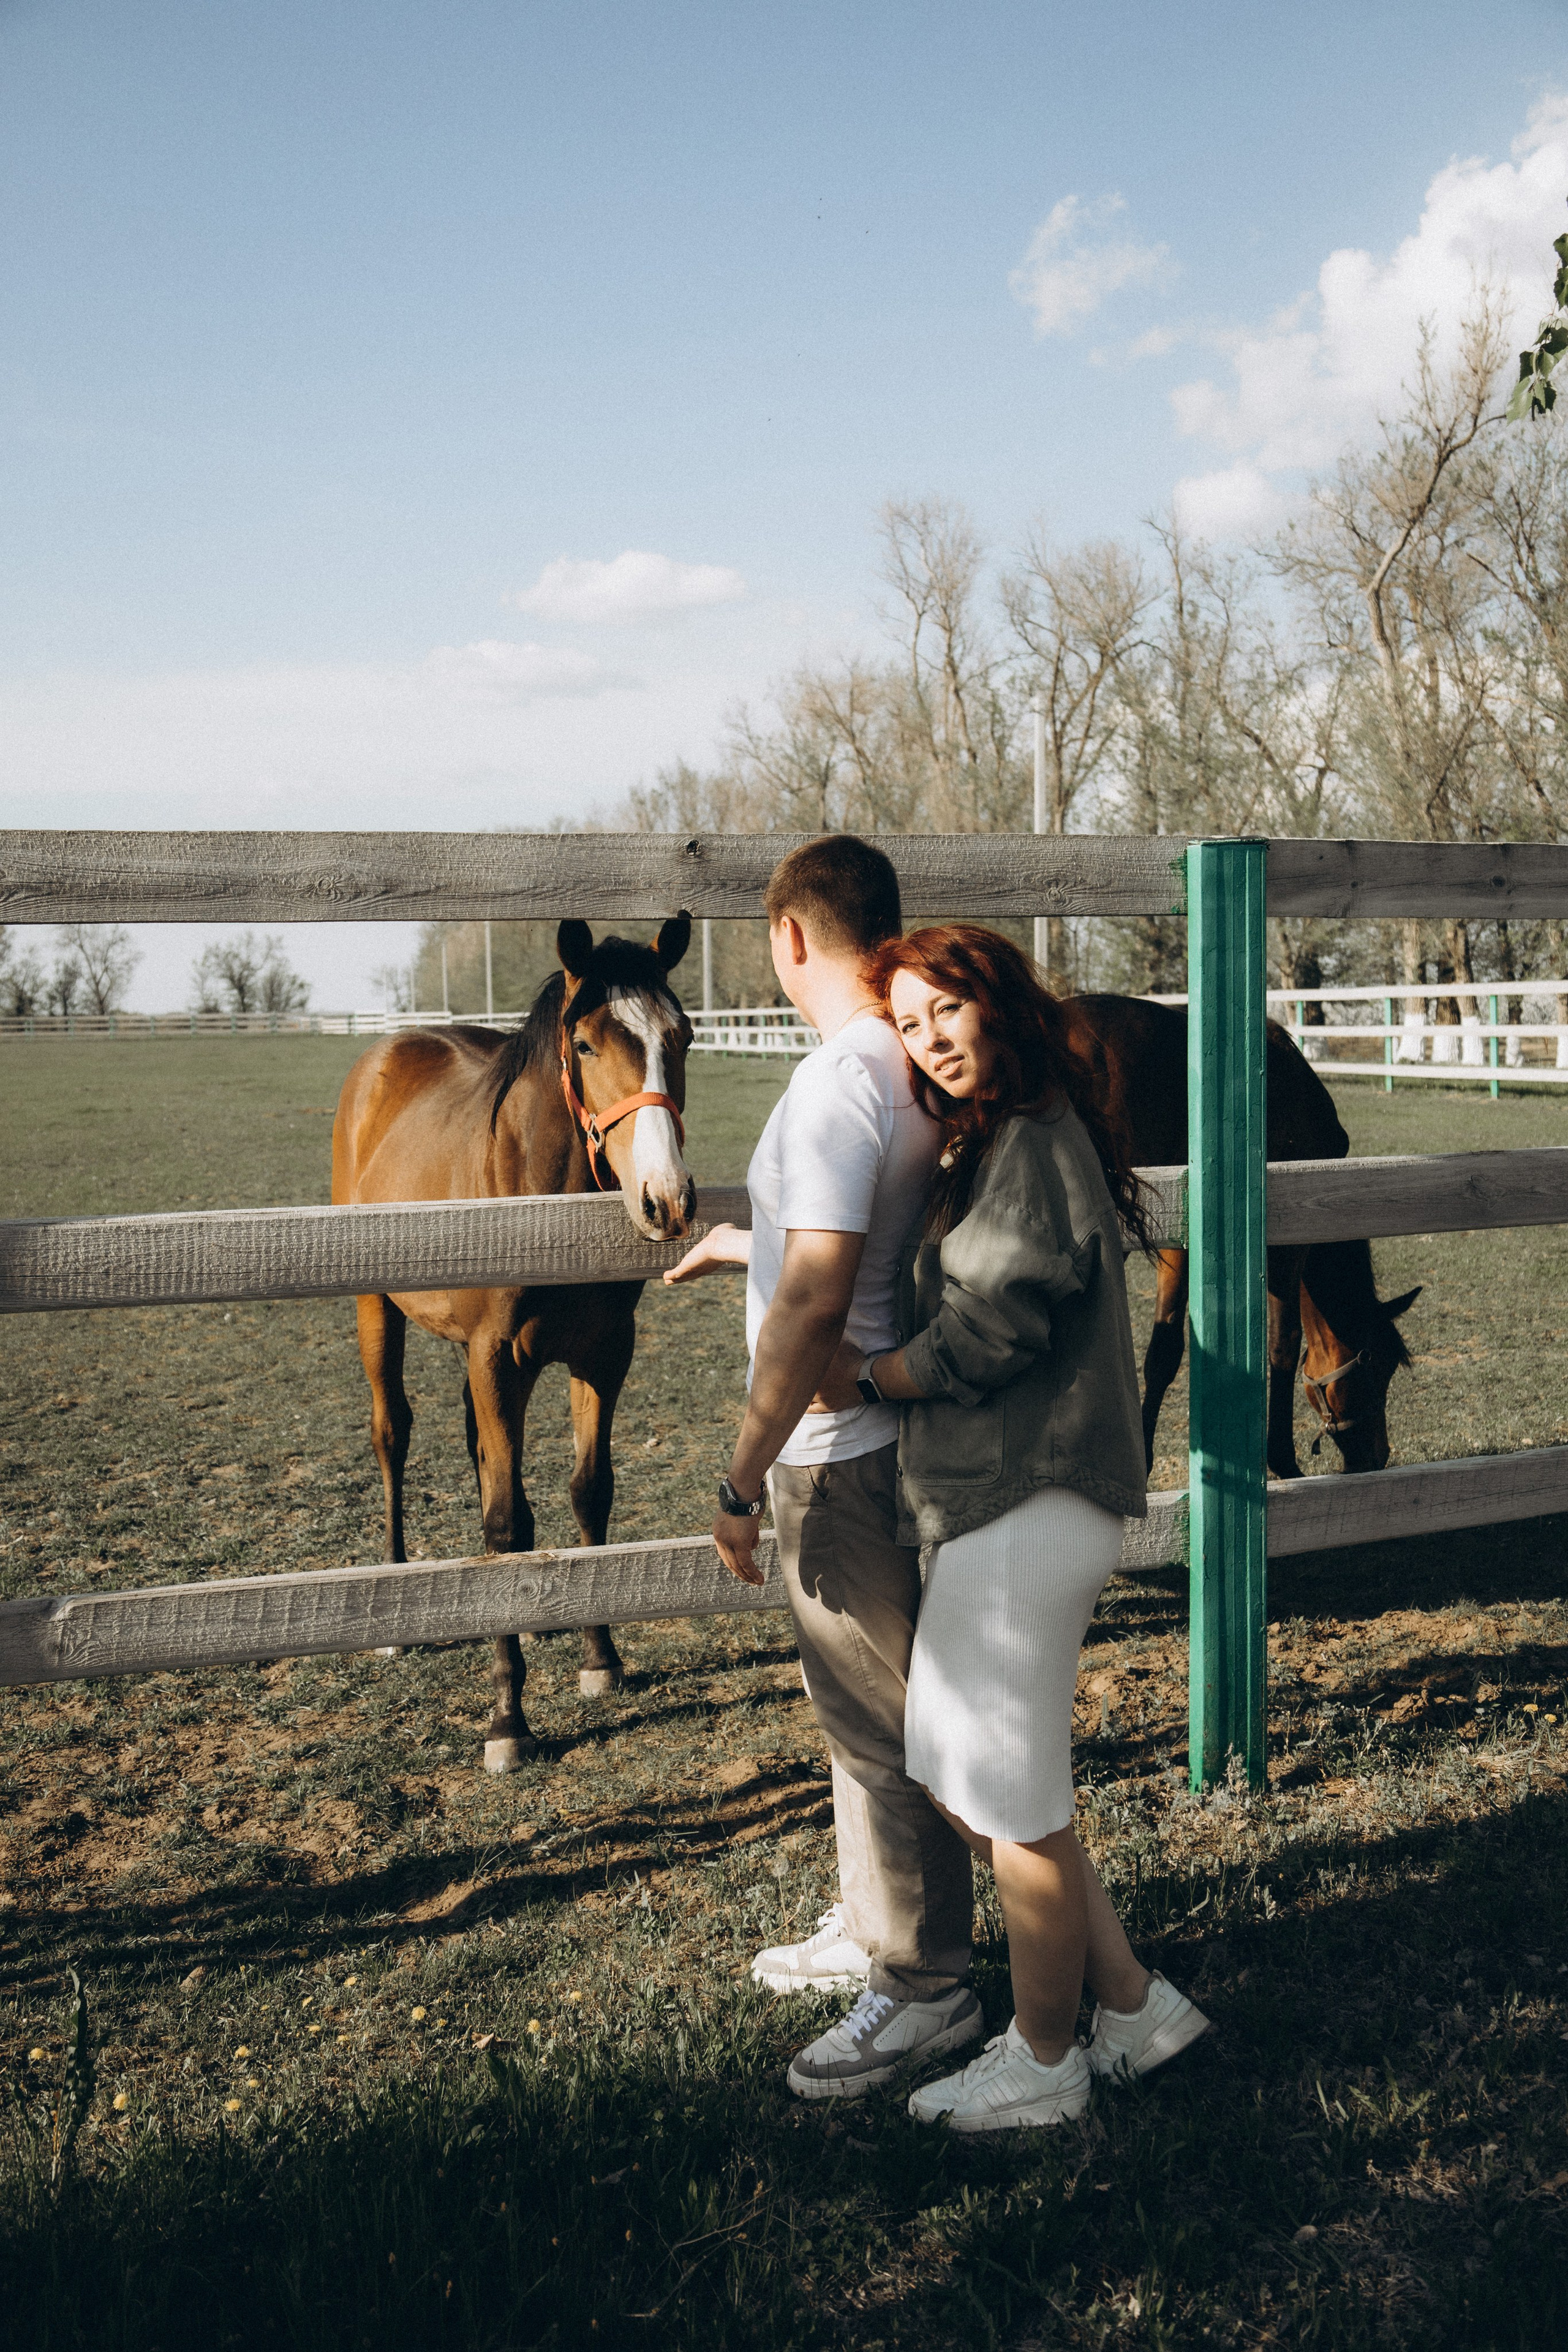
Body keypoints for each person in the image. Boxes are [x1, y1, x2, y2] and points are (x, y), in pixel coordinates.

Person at [835, 922, 1210, 2133]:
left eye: (942, 1009)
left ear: (993, 1002)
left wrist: (876, 1378)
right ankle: (1131, 2007)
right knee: (966, 1772)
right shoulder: (1008, 1136)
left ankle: (1043, 2060)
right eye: (905, 1024)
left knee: (1007, 1791)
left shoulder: (1033, 1134)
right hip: (1001, 1500)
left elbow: (994, 1321)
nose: (928, 1040)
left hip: (1032, 1496)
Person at [663, 836, 980, 2100]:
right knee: (858, 1716)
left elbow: (815, 1297)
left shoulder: (838, 1083)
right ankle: (869, 1922)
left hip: (830, 1453)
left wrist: (742, 1477)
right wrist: (749, 1240)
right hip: (868, 1436)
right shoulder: (895, 1069)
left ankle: (922, 1988)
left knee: (883, 1720)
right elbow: (845, 1237)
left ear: (787, 936)